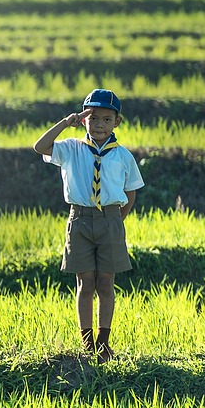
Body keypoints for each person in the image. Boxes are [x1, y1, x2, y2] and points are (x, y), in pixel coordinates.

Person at [34, 89, 143, 363]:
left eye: (107, 119)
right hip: (80, 219)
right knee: (84, 282)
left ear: (117, 122)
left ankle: (103, 342)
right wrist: (65, 122)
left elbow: (131, 192)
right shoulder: (71, 148)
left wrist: (118, 219)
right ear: (84, 119)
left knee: (106, 282)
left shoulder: (123, 156)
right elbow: (40, 147)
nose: (99, 125)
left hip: (110, 220)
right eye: (93, 118)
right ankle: (87, 342)